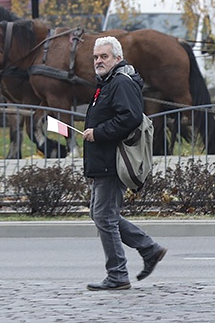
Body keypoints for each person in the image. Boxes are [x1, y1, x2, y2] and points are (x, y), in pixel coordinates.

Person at [83, 36, 167, 291]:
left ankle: (118, 274)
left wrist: (98, 133)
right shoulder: (109, 82)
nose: (98, 61)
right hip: (104, 160)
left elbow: (129, 118)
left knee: (104, 217)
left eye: (104, 56)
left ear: (117, 58)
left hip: (112, 161)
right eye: (96, 57)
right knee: (102, 215)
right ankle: (148, 249)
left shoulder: (120, 82)